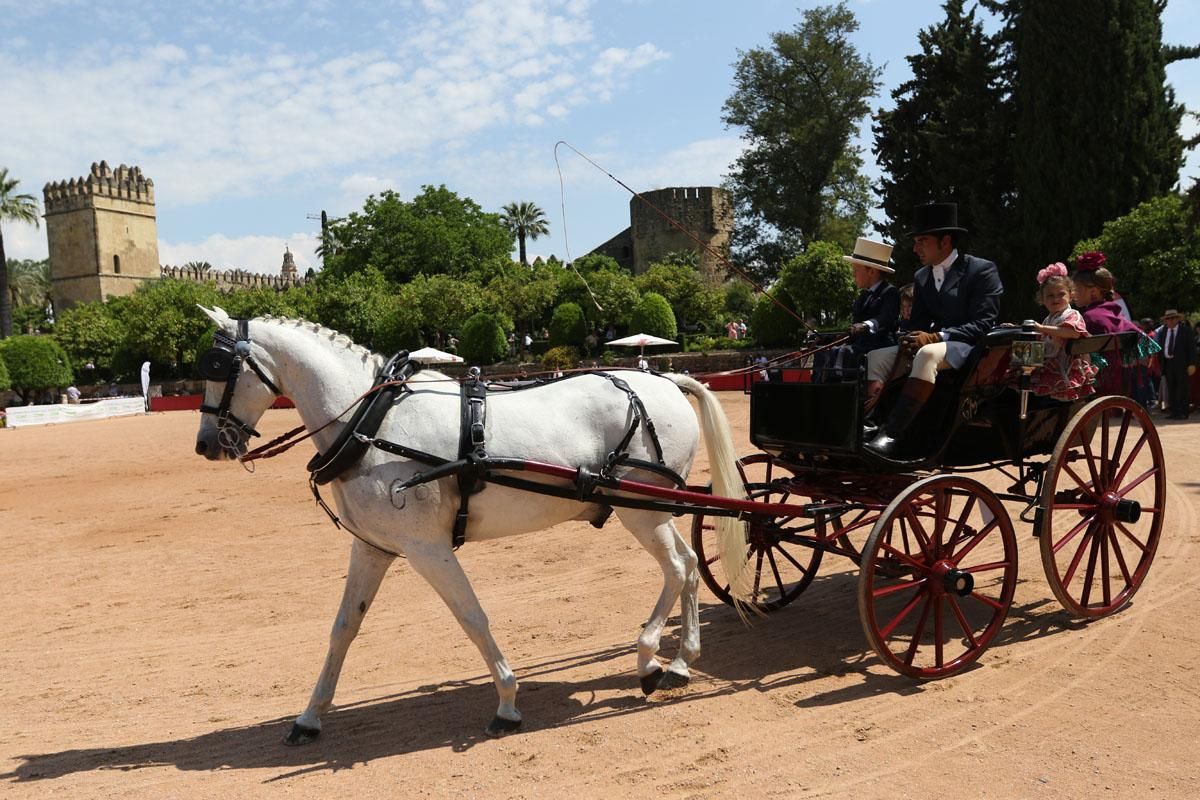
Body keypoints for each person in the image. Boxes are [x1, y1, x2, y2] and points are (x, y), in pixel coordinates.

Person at [863, 202, 1003, 457]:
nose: (915, 248)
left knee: (927, 355)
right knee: (877, 356)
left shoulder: (981, 270)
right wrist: (908, 337)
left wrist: (938, 336)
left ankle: (893, 434)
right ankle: (870, 423)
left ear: (945, 241)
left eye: (922, 240)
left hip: (970, 346)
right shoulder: (922, 276)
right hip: (936, 345)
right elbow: (916, 323)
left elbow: (984, 323)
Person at [813, 237, 899, 382]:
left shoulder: (890, 293)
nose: (853, 275)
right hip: (859, 346)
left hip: (878, 346)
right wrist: (829, 338)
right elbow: (853, 329)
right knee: (823, 351)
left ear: (871, 271)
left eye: (856, 270)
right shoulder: (863, 296)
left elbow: (885, 318)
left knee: (844, 353)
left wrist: (866, 325)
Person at [1071, 250, 1154, 397]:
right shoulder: (1114, 314)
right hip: (1122, 383)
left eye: (1076, 289)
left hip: (1096, 383)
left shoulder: (1090, 317)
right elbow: (1144, 346)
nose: (1073, 294)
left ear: (1094, 292)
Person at [1022, 263, 1098, 401]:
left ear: (1070, 296)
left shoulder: (1072, 314)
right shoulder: (1048, 319)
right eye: (1050, 296)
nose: (1056, 299)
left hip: (1066, 367)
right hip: (1048, 363)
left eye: (1061, 294)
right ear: (1042, 300)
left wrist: (1041, 328)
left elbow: (1072, 333)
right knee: (1019, 370)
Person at [1155, 309, 1196, 419]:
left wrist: (1192, 363)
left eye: (1173, 318)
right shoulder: (1163, 332)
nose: (1171, 321)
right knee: (1171, 388)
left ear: (1177, 319)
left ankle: (1183, 412)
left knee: (1182, 388)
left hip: (1182, 364)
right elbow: (1160, 349)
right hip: (1168, 363)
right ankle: (1174, 412)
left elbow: (1192, 348)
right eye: (1168, 319)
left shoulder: (1185, 331)